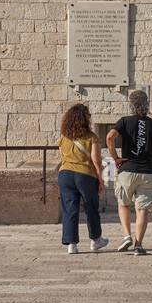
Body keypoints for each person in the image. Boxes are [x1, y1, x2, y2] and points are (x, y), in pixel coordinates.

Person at [106, 90, 152, 256]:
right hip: (147, 172)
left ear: (131, 105)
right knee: (142, 210)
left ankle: (126, 235)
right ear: (147, 104)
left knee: (123, 204)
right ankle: (138, 245)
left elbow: (110, 137)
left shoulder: (124, 121)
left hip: (127, 170)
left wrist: (116, 158)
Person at [57, 103, 108, 255]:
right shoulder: (92, 138)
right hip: (85, 175)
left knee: (69, 209)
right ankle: (95, 240)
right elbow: (96, 161)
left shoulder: (63, 137)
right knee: (91, 207)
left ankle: (71, 244)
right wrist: (101, 179)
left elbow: (62, 156)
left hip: (65, 174)